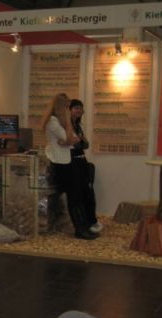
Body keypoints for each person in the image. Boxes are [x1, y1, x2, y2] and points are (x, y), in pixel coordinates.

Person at [43, 93, 98, 240]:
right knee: (74, 197)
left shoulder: (62, 122)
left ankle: (84, 226)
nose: (69, 110)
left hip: (69, 161)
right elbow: (70, 139)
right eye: (67, 106)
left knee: (79, 196)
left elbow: (75, 140)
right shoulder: (53, 122)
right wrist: (68, 136)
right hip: (62, 163)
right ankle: (80, 230)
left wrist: (69, 140)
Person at [69, 98, 102, 234]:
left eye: (81, 108)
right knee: (78, 195)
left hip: (82, 161)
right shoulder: (67, 126)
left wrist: (81, 142)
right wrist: (80, 142)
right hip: (73, 163)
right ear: (69, 110)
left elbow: (86, 145)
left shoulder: (78, 126)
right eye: (76, 108)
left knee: (88, 193)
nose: (79, 111)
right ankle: (82, 225)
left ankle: (91, 221)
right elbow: (77, 144)